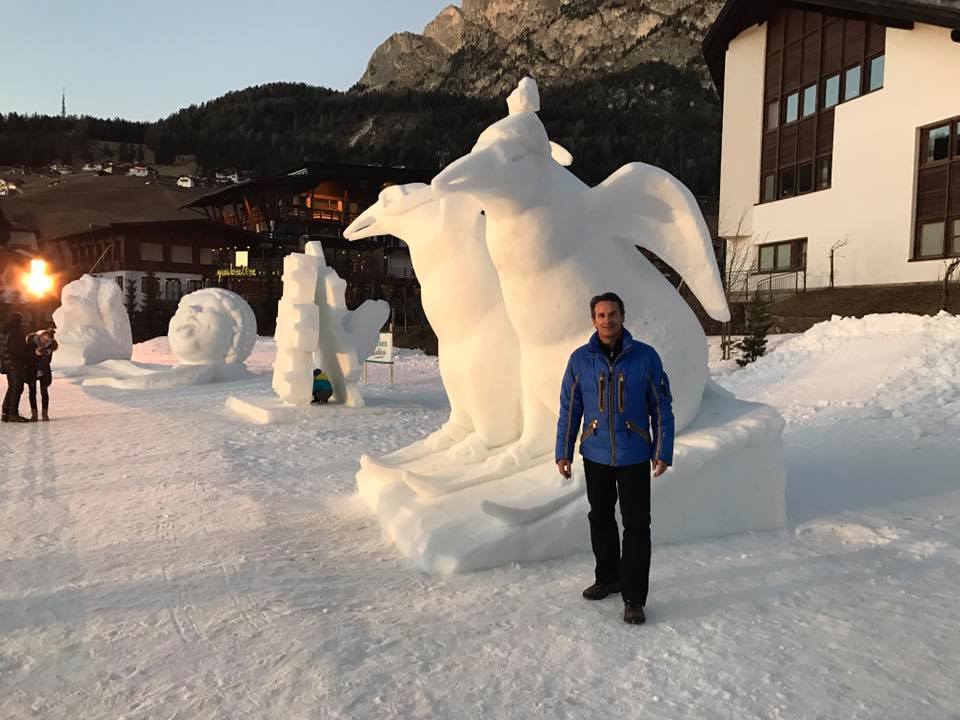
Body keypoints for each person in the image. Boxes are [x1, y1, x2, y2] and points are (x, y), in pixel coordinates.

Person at [555, 292, 674, 625]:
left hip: (633, 453)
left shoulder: (645, 357)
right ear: (593, 320)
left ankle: (634, 598)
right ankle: (608, 578)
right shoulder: (580, 360)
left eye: (612, 314)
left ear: (623, 316)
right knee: (601, 517)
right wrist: (563, 451)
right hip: (595, 453)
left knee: (636, 525)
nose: (607, 320)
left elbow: (661, 406)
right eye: (601, 315)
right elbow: (570, 408)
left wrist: (662, 449)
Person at [0, 312, 31, 423]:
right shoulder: (16, 332)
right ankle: (13, 413)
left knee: (12, 387)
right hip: (16, 364)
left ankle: (5, 413)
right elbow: (17, 350)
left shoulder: (5, 332)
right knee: (17, 388)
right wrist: (28, 352)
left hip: (9, 364)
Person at [25, 328, 58, 422]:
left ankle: (45, 413)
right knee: (32, 391)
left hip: (43, 371)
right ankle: (34, 413)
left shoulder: (49, 347)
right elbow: (26, 356)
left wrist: (46, 355)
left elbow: (48, 361)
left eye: (47, 341)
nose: (45, 342)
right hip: (32, 370)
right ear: (40, 336)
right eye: (44, 339)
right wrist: (36, 353)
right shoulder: (31, 343)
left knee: (44, 391)